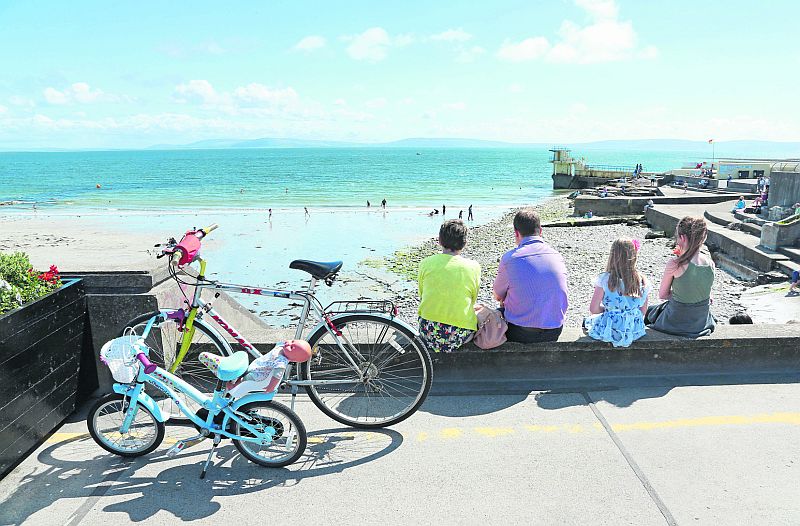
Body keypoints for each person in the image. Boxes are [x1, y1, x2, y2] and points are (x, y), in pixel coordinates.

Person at [493, 208, 569, 343]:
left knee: (499, 309)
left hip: (520, 332)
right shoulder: (556, 255)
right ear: (540, 231)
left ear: (516, 233)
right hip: (554, 330)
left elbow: (498, 295)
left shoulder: (510, 258)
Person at [645, 216, 715, 337]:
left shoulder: (675, 264)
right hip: (700, 322)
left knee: (650, 311)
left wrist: (680, 294)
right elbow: (708, 296)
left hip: (676, 321)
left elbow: (663, 295)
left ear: (682, 238)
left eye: (677, 236)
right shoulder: (710, 264)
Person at [417, 220, 481, 353]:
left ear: (440, 241)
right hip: (459, 334)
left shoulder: (425, 263)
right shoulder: (473, 267)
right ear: (464, 243)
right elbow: (473, 299)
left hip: (428, 331)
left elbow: (422, 294)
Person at [584, 239, 650, 347]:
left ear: (612, 256)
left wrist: (609, 310)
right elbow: (643, 311)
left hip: (611, 327)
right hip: (634, 329)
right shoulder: (642, 280)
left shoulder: (605, 279)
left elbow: (593, 309)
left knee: (588, 321)